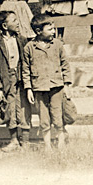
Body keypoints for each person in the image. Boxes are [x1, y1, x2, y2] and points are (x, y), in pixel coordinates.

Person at [22, 14, 72, 151]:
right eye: (50, 29)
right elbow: (25, 70)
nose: (53, 32)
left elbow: (65, 64)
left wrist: (66, 85)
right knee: (44, 119)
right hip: (39, 88)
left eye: (54, 29)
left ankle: (61, 142)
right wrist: (28, 89)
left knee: (57, 116)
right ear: (38, 32)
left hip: (56, 87)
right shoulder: (29, 48)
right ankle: (47, 145)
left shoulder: (57, 45)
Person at [0, 11, 31, 151]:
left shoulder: (22, 40)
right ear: (5, 25)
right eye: (14, 20)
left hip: (21, 80)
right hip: (6, 83)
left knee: (24, 109)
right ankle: (14, 141)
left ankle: (25, 141)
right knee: (10, 110)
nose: (18, 22)